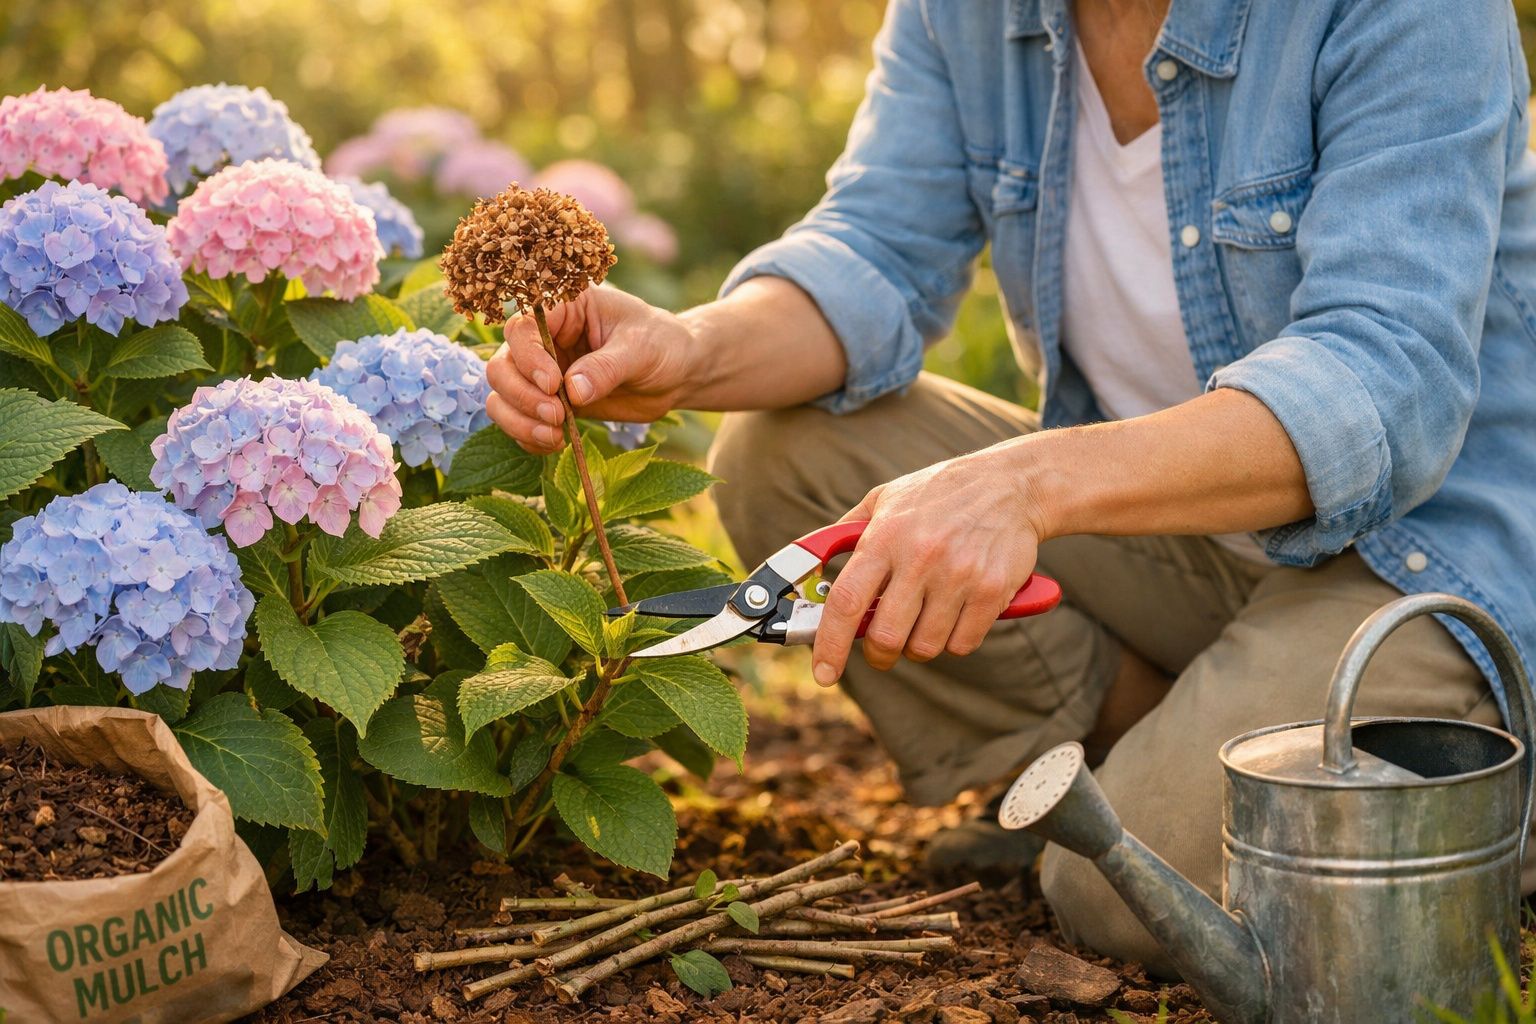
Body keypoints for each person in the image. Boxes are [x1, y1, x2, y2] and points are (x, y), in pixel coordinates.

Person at [487, 0, 1536, 973]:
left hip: (1411, 560)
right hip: (1174, 540)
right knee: (787, 460)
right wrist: (690, 348)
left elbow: (1383, 379)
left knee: (1118, 885)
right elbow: (876, 248)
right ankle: (1188, 735)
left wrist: (1026, 483)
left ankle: (1477, 798)